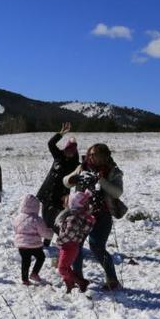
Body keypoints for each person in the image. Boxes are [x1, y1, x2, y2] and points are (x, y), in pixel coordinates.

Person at [63, 143, 124, 290]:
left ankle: (112, 280)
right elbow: (66, 181)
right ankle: (78, 277)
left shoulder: (113, 171)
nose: (90, 157)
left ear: (103, 156)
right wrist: (73, 179)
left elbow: (117, 193)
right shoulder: (83, 167)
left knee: (97, 247)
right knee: (76, 246)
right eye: (89, 153)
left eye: (94, 154)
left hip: (102, 215)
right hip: (80, 215)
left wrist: (100, 181)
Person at [36, 122, 80, 246]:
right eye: (67, 150)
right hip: (47, 193)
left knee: (57, 220)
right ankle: (46, 243)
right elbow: (50, 144)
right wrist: (61, 133)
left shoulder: (75, 165)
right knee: (45, 220)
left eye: (71, 151)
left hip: (61, 196)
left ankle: (65, 241)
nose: (69, 153)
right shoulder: (58, 156)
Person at [55, 191, 96, 294]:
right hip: (70, 246)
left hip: (69, 246)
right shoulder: (78, 216)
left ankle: (81, 282)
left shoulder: (73, 218)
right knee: (66, 266)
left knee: (62, 268)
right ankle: (70, 284)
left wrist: (59, 240)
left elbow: (69, 234)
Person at [12, 194, 54, 286]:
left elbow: (15, 228)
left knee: (25, 261)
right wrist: (50, 233)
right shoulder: (37, 219)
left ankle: (25, 279)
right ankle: (34, 273)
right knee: (41, 257)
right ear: (37, 207)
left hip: (22, 245)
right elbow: (44, 232)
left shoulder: (18, 218)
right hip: (34, 244)